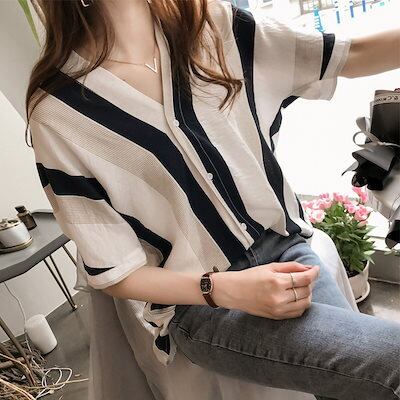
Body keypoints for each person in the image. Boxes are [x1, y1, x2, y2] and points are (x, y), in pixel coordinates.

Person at [25, 0, 400, 399]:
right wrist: (221, 288)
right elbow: (117, 272)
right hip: (201, 308)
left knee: (357, 385)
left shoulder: (216, 29)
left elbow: (349, 55)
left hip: (287, 252)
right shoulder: (58, 113)